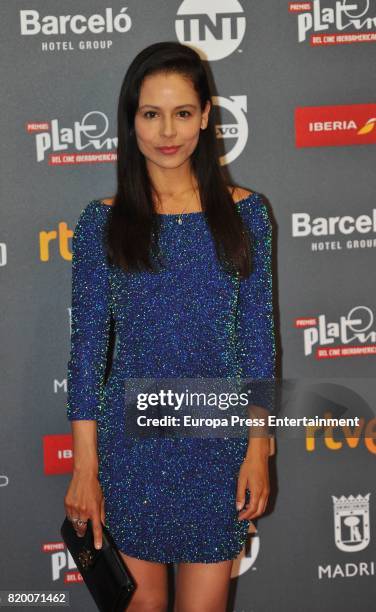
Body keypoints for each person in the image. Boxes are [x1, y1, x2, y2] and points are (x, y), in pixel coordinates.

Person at [64, 41, 276, 612]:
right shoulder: (101, 224)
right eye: (150, 113)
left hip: (216, 447)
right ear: (131, 120)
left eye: (183, 112)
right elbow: (87, 350)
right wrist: (86, 466)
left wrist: (259, 449)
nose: (167, 131)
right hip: (131, 452)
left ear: (206, 117)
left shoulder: (246, 214)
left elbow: (257, 341)